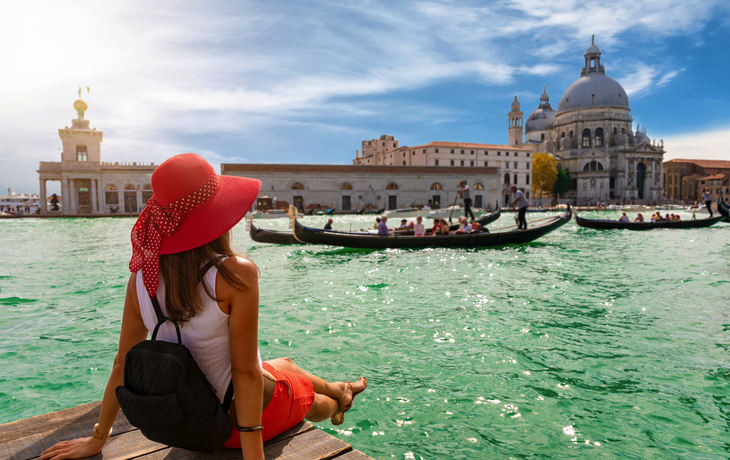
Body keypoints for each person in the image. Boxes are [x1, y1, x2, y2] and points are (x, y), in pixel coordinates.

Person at [40, 154, 367, 460]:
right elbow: (245, 374)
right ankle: (338, 402)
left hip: (185, 420)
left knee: (285, 363)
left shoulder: (140, 278)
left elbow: (121, 363)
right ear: (216, 215)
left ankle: (341, 387)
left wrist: (98, 438)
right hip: (229, 428)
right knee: (309, 395)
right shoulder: (234, 273)